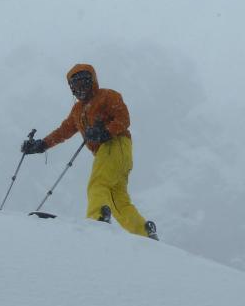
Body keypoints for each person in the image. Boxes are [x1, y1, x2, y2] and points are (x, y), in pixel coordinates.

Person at [22, 64, 158, 240]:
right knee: (118, 199)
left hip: (113, 145)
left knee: (97, 184)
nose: (81, 89)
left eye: (84, 83)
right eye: (76, 86)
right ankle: (143, 231)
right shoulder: (77, 110)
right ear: (71, 88)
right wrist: (42, 145)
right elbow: (64, 131)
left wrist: (105, 132)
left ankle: (98, 218)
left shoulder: (107, 96)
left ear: (92, 82)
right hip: (119, 155)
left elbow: (124, 118)